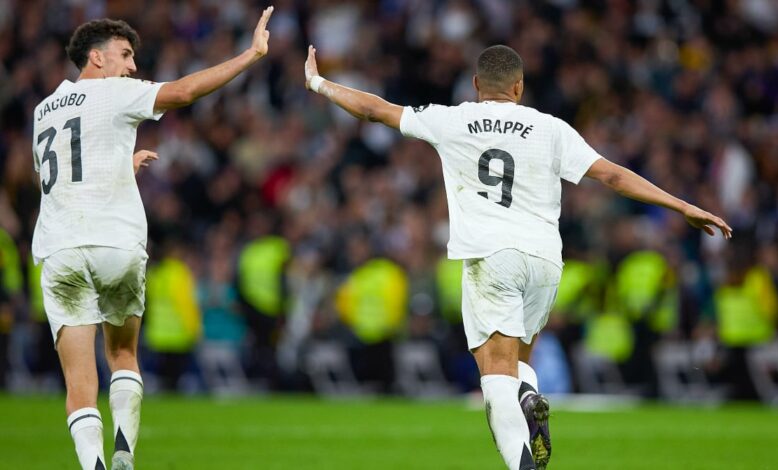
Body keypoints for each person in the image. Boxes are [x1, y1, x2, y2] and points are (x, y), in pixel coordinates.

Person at [303, 44, 732, 470]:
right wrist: (681, 205)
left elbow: (375, 110)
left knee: (494, 377)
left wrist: (319, 83)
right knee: (519, 364)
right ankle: (527, 396)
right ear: (519, 86)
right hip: (545, 261)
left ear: (476, 84)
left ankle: (522, 463)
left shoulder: (452, 119)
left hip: (493, 257)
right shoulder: (550, 128)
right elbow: (612, 175)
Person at [31, 7, 274, 470]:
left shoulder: (43, 111)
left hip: (60, 249)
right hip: (115, 244)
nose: (132, 66)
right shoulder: (114, 92)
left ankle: (94, 465)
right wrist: (250, 55)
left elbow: (63, 178)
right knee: (122, 353)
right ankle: (125, 448)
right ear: (97, 58)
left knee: (78, 384)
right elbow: (184, 92)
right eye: (125, 55)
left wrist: (122, 165)